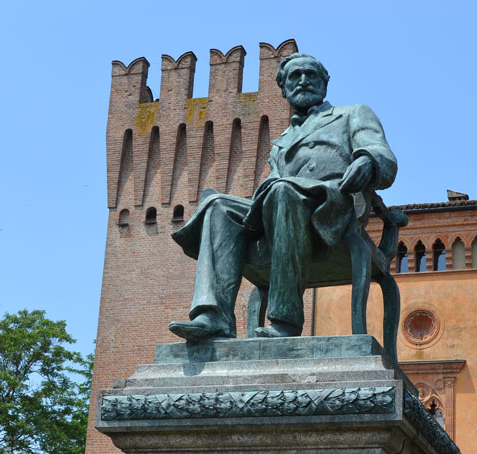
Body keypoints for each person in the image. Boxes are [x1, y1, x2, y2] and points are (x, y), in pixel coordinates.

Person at [169, 53, 397, 341]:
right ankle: (215, 316)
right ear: (284, 90)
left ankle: (285, 320)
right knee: (217, 206)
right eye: (294, 76)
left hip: (331, 206)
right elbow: (269, 187)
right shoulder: (282, 141)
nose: (303, 80)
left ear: (324, 84)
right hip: (282, 209)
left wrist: (367, 161)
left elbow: (382, 155)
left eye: (310, 75)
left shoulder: (352, 114)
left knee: (282, 190)